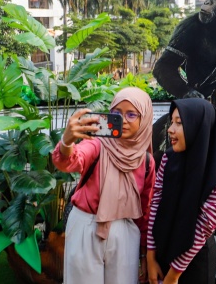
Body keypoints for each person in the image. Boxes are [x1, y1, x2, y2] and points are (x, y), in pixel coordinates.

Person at [53, 87, 156, 284]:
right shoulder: (98, 144)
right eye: (117, 113)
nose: (123, 120)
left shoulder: (147, 161)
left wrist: (144, 252)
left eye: (131, 114)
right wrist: (67, 141)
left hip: (125, 230)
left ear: (144, 120)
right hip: (86, 225)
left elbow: (146, 210)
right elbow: (71, 161)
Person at [147, 98, 216, 284]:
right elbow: (156, 203)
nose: (170, 129)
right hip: (162, 249)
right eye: (172, 122)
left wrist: (173, 276)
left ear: (198, 127)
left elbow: (200, 233)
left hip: (193, 263)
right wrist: (151, 256)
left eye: (179, 123)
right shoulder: (168, 159)